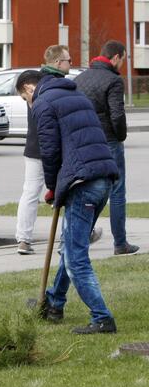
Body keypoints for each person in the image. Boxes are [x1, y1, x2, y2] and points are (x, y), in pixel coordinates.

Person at [17, 70, 120, 334]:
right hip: (103, 177)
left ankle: (102, 318)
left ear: (29, 88)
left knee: (75, 257)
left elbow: (49, 150)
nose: (27, 104)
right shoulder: (76, 94)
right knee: (72, 246)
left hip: (82, 183)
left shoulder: (43, 103)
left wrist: (52, 187)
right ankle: (54, 302)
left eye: (23, 98)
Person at [73, 40, 140, 256]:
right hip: (109, 141)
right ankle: (120, 243)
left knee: (90, 189)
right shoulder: (113, 80)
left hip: (85, 141)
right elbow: (117, 114)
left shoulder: (80, 79)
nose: (123, 63)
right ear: (115, 57)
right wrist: (121, 137)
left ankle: (79, 234)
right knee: (117, 191)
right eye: (123, 58)